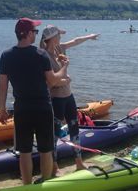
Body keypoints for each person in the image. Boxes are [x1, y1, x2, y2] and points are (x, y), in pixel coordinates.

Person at [0, 17, 70, 185]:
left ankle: (27, 185)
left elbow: (2, 85)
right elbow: (52, 81)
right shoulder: (40, 54)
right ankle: (45, 182)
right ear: (29, 34)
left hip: (21, 108)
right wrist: (64, 67)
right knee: (46, 149)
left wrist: (2, 109)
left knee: (24, 151)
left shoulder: (6, 55)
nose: (36, 34)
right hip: (42, 107)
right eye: (35, 31)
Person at [39, 25, 99, 172]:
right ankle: (54, 166)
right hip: (56, 100)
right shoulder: (44, 56)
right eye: (59, 34)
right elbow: (51, 82)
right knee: (55, 134)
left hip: (68, 97)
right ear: (52, 38)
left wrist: (89, 36)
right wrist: (66, 80)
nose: (61, 37)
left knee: (75, 130)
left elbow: (75, 41)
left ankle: (79, 163)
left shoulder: (60, 49)